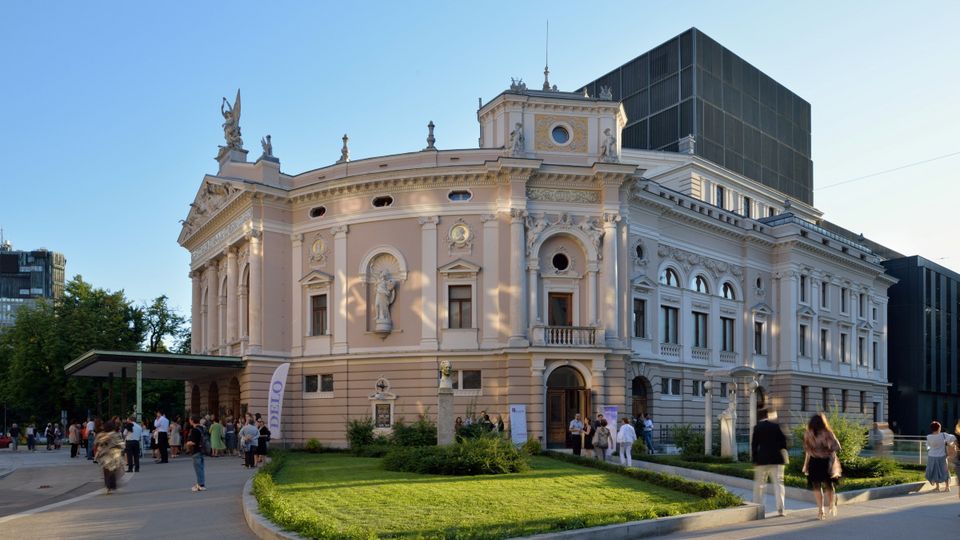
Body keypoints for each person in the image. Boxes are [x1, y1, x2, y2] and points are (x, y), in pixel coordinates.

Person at [802, 412, 842, 520]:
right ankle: (831, 505)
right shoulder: (827, 433)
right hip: (826, 461)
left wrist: (806, 464)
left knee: (816, 486)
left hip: (814, 462)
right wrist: (826, 449)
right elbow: (837, 446)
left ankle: (820, 511)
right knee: (829, 484)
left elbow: (807, 450)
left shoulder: (808, 434)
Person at [751, 408, 788, 517]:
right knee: (778, 485)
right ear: (769, 415)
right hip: (776, 460)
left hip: (762, 460)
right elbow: (784, 444)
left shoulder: (757, 427)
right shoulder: (777, 427)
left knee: (760, 485)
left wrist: (754, 459)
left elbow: (754, 445)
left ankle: (759, 511)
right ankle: (781, 510)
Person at [94, 421, 125, 493]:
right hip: (113, 455)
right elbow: (121, 444)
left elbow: (96, 443)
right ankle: (112, 485)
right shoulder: (115, 434)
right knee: (113, 470)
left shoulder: (100, 435)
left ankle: (108, 486)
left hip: (104, 455)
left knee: (106, 470)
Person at [925, 420, 956, 492]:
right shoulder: (943, 435)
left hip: (931, 456)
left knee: (934, 471)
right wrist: (947, 443)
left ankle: (937, 487)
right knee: (945, 471)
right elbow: (954, 437)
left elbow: (928, 446)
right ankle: (947, 487)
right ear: (939, 428)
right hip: (942, 456)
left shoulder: (928, 436)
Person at [186, 416, 206, 492]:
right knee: (201, 468)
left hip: (196, 451)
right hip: (202, 450)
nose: (189, 421)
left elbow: (193, 442)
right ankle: (200, 483)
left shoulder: (194, 430)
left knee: (198, 469)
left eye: (190, 420)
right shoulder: (202, 428)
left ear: (192, 421)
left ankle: (201, 485)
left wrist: (188, 443)